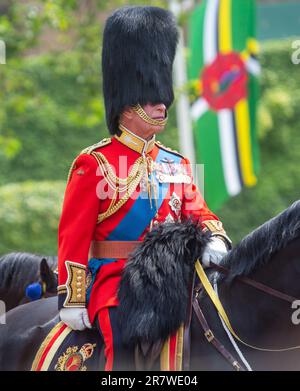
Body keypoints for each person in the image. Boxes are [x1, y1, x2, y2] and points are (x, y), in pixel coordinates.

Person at [57, 6, 231, 371]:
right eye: (151, 97)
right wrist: (72, 299)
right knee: (120, 349)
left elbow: (198, 210)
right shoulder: (94, 164)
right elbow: (73, 238)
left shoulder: (177, 163)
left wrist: (214, 236)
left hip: (175, 279)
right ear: (126, 103)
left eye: (161, 96)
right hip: (116, 283)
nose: (161, 103)